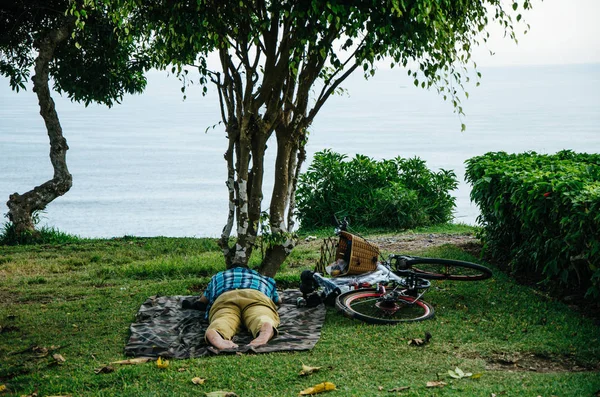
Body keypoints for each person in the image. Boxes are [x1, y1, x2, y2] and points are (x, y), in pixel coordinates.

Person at [197, 263, 281, 350]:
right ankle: (264, 325)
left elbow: (202, 301)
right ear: (249, 270)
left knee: (224, 318)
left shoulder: (218, 277)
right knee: (260, 313)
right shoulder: (264, 278)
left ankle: (217, 331)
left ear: (228, 270)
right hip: (255, 295)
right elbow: (278, 300)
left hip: (225, 297)